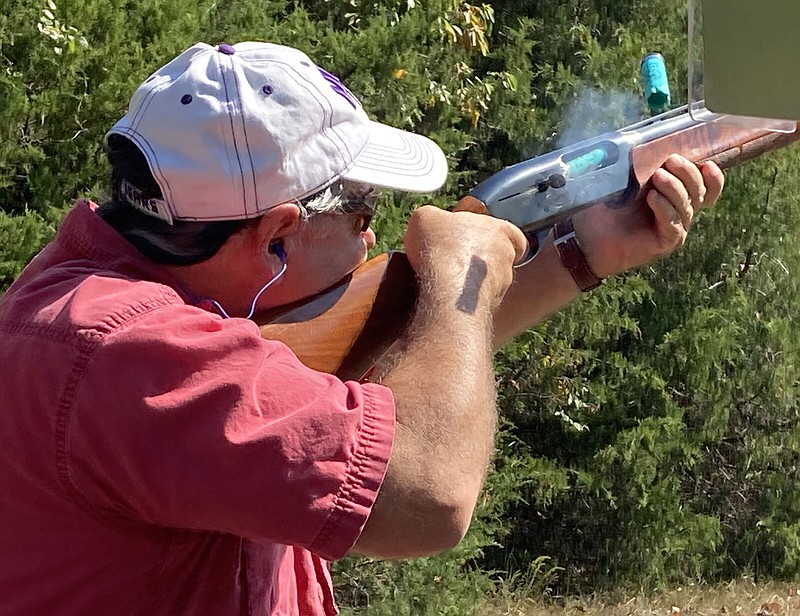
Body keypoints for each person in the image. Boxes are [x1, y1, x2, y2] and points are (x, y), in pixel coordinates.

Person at [0, 41, 724, 615]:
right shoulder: (131, 354)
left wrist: (587, 252)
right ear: (279, 236)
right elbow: (428, 493)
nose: (374, 232)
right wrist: (455, 280)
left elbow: (411, 371)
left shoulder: (127, 304)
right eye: (362, 208)